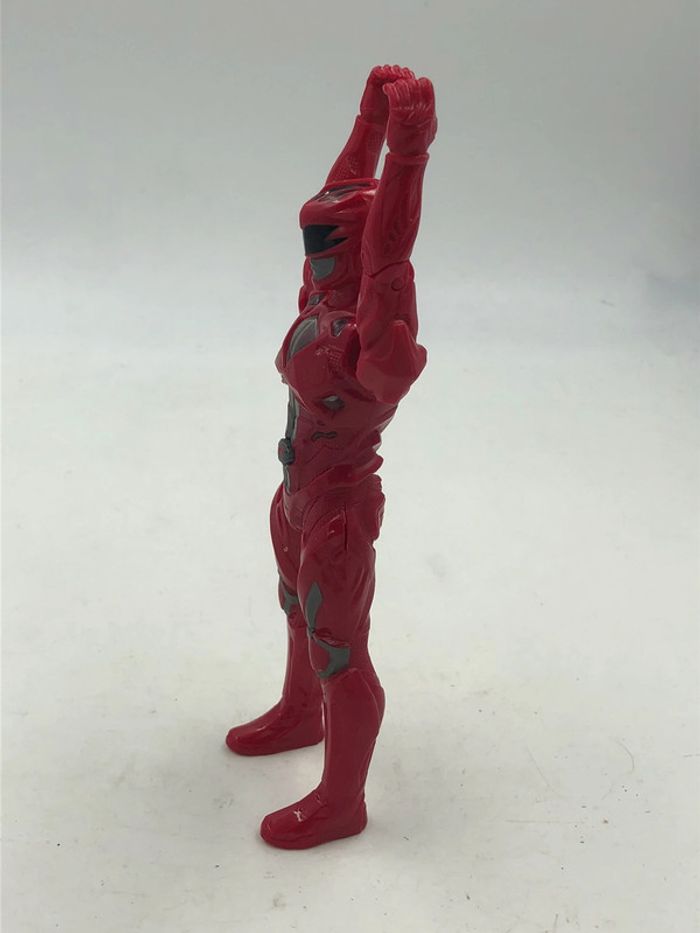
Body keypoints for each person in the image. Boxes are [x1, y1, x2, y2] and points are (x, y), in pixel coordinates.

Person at [226, 65, 437, 849]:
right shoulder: (321, 302)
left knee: (340, 650)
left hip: (340, 507)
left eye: (328, 241)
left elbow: (388, 253)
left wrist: (409, 155)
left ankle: (343, 801)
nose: (314, 247)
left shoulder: (372, 336)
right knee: (295, 608)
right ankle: (299, 711)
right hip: (296, 492)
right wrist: (369, 124)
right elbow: (343, 197)